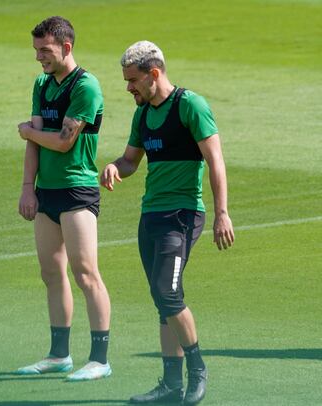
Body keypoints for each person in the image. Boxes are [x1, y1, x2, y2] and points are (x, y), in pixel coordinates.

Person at [101, 41, 234, 404]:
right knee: (164, 302)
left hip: (183, 215)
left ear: (153, 74)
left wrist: (222, 213)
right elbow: (131, 161)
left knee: (167, 292)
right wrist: (115, 166)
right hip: (151, 217)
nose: (128, 87)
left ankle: (198, 369)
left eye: (132, 80)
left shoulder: (190, 105)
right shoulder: (142, 115)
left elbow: (216, 161)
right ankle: (171, 385)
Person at [16, 16, 111, 381]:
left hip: (76, 190)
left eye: (45, 50)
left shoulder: (86, 86)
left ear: (66, 47)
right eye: (36, 50)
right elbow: (36, 141)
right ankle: (59, 355)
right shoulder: (42, 84)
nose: (39, 57)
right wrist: (28, 187)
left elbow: (62, 141)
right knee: (51, 273)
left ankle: (100, 359)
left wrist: (27, 131)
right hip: (47, 193)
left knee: (86, 274)